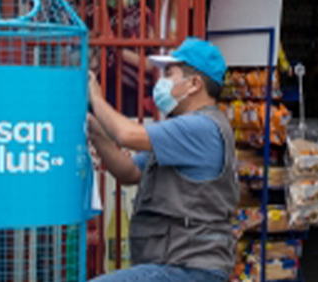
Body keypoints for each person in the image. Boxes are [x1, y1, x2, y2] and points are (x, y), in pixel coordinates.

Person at [86, 38, 240, 282]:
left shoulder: (201, 127)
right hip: (171, 263)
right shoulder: (181, 131)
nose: (161, 82)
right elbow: (129, 173)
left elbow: (126, 135)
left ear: (194, 84)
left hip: (190, 268)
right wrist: (95, 132)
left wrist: (96, 98)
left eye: (169, 74)